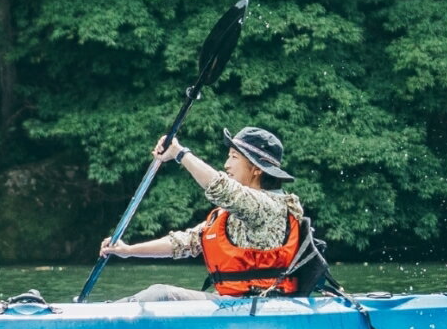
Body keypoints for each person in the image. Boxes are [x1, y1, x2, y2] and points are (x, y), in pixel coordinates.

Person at [98, 126, 319, 302]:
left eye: (234, 157)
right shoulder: (229, 214)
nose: (226, 164)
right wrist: (128, 250)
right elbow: (185, 242)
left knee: (161, 295)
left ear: (257, 168)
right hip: (234, 304)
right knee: (159, 293)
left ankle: (104, 321)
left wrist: (179, 153)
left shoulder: (270, 207)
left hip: (263, 305)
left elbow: (221, 188)